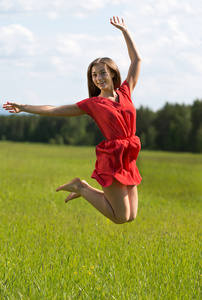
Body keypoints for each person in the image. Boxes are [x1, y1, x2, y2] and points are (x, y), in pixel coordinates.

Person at [3, 16, 142, 224]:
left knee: (131, 216)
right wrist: (24, 107)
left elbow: (136, 60)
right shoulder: (93, 104)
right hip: (113, 158)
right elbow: (55, 110)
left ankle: (84, 188)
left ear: (113, 74)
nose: (98, 78)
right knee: (120, 217)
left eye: (102, 73)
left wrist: (125, 31)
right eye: (94, 75)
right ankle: (81, 187)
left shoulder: (126, 91)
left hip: (129, 155)